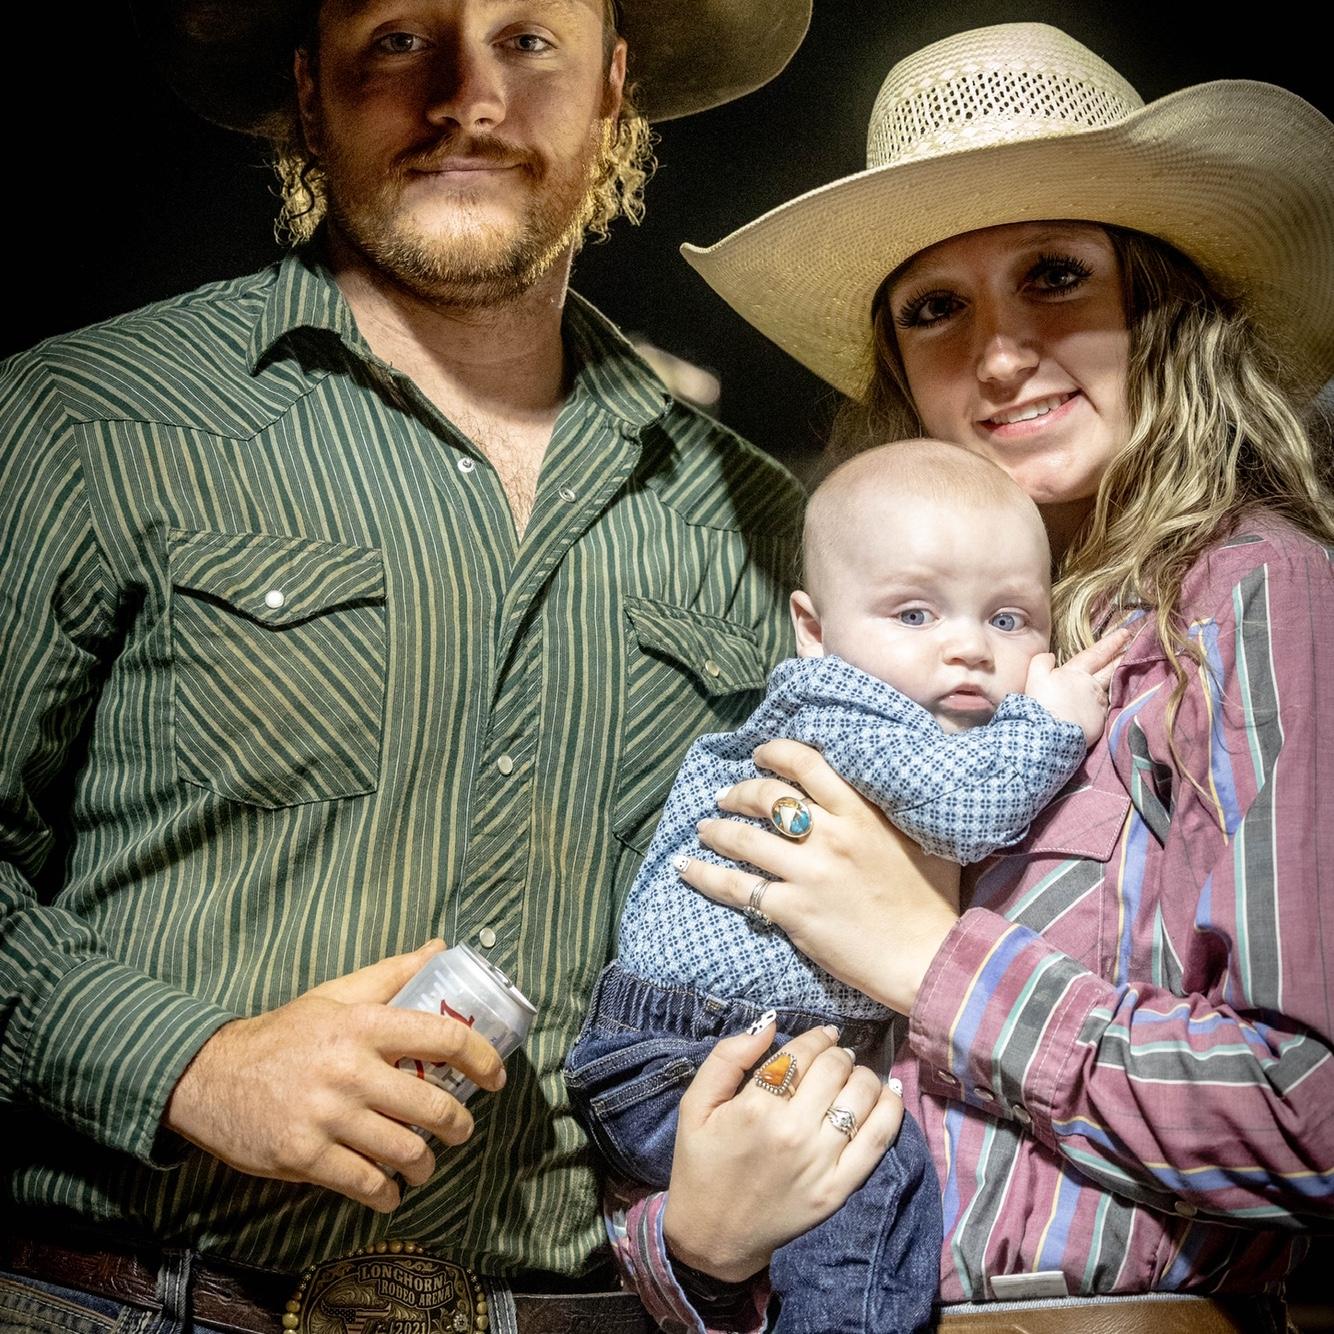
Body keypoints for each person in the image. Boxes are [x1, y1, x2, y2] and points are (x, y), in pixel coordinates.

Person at [0, 2, 831, 1332]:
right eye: (398, 36)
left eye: (529, 40)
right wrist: (181, 1064)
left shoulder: (749, 521)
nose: (466, 100)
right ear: (307, 89)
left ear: (613, 83)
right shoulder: (84, 419)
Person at [600, 21, 1334, 1334]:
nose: (997, 353)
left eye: (1052, 274)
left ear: (1157, 302)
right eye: (936, 308)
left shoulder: (1248, 597)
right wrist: (691, 1245)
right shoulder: (911, 656)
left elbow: (1307, 1114)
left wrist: (926, 953)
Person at [565, 437, 1129, 1333]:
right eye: (914, 613)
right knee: (872, 1167)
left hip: (709, 1044)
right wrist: (1051, 726)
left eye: (1011, 619)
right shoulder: (841, 708)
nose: (970, 650)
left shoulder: (896, 709)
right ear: (816, 630)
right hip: (688, 1050)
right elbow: (966, 815)